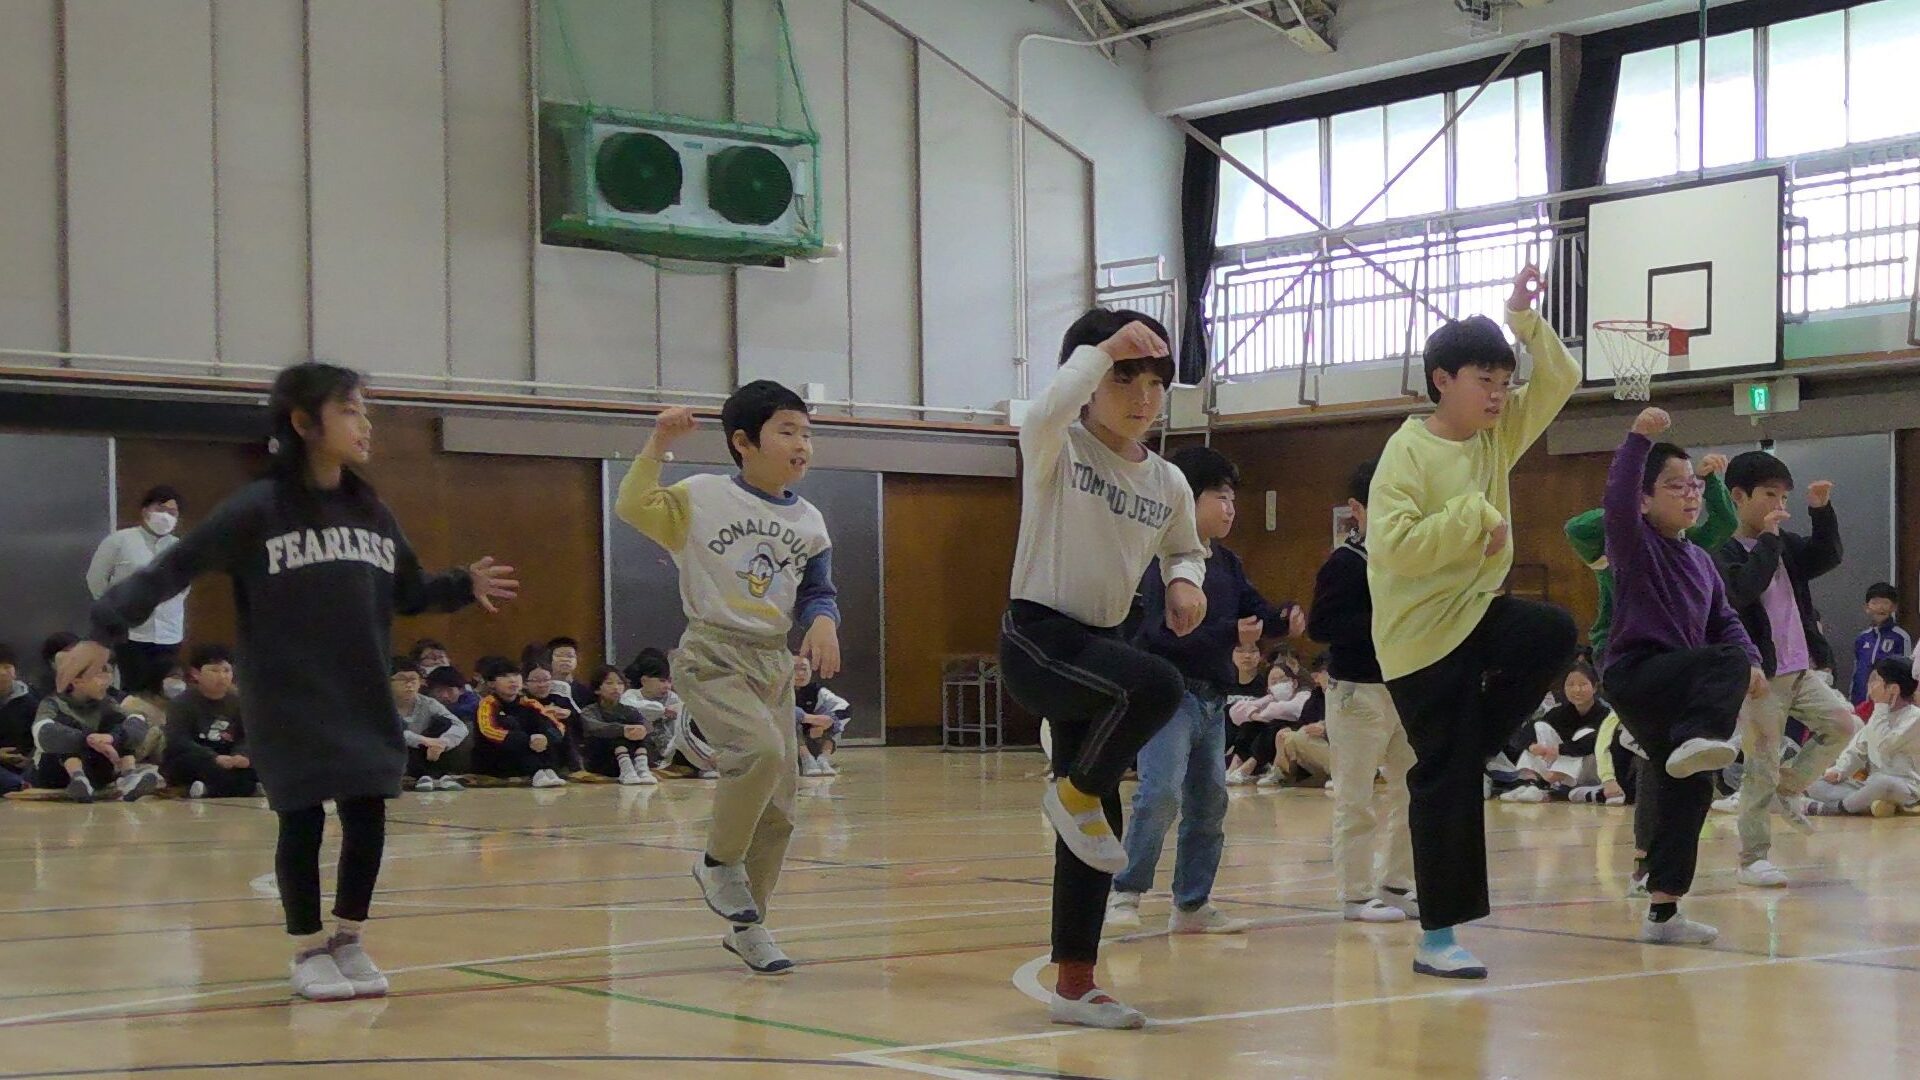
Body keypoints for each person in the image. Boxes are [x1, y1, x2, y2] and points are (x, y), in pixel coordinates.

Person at [66, 361, 517, 1001]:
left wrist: (462, 584)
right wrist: (102, 630)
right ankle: (307, 949)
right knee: (301, 821)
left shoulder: (371, 511)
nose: (365, 423)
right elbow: (172, 569)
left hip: (361, 691)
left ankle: (349, 938)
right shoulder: (257, 509)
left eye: (365, 410)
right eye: (350, 410)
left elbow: (410, 590)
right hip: (287, 696)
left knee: (367, 815)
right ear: (305, 423)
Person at [1368, 265, 1580, 979]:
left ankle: (1478, 745)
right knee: (1444, 779)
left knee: (1552, 632)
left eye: (1503, 380)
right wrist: (1472, 516)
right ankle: (1437, 938)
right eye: (1484, 380)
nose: (1498, 394)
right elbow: (1394, 547)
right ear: (1441, 381)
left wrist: (1523, 317)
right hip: (1419, 640)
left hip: (1477, 614)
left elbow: (1562, 378)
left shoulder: (1496, 435)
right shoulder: (1407, 451)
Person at [996, 308, 1204, 1029]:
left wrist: (1185, 581)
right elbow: (1045, 407)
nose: (1143, 396)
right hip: (1039, 641)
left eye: (1155, 382)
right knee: (1158, 685)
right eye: (1124, 378)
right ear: (1089, 380)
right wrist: (1101, 347)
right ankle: (1076, 790)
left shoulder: (1169, 481)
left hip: (1101, 647)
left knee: (1097, 824)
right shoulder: (1059, 445)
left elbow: (1185, 546)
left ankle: (1075, 984)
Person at [614, 383, 841, 977]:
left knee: (781, 807)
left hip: (772, 661)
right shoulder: (701, 496)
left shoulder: (810, 521)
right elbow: (633, 506)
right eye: (787, 431)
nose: (801, 444)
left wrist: (823, 622)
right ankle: (717, 861)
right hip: (712, 654)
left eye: (807, 433)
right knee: (758, 752)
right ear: (743, 441)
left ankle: (749, 926)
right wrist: (659, 441)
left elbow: (817, 589)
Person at [1107, 445, 1301, 936]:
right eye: (1220, 497)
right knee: (1159, 794)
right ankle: (1126, 893)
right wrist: (1232, 633)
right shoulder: (1160, 562)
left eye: (1233, 499)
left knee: (1209, 803)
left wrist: (1283, 617)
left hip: (1213, 701)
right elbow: (1159, 634)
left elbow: (1256, 611)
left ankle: (1192, 903)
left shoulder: (1228, 564)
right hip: (1168, 699)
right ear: (1186, 501)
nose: (1231, 509)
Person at [1599, 408, 1766, 944]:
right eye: (1676, 485)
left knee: (1690, 790)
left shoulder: (1700, 559)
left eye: (1694, 485)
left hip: (1681, 683)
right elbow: (1615, 499)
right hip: (1638, 673)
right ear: (1645, 500)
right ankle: (1700, 735)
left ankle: (1664, 913)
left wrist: (1753, 661)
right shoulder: (1633, 542)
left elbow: (1725, 619)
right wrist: (1637, 439)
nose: (1691, 495)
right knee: (1725, 663)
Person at [1715, 450, 1852, 888]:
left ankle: (1789, 787)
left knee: (1843, 724)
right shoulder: (1722, 550)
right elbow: (1743, 590)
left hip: (1800, 667)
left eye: (1784, 497)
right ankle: (1752, 858)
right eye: (1769, 495)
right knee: (1761, 763)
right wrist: (1771, 541)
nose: (1779, 505)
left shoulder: (1785, 544)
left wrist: (1821, 511)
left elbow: (1826, 556)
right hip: (1760, 676)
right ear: (1739, 496)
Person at [1308, 459, 1418, 924]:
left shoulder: (1410, 560)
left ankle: (1397, 882)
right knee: (1356, 798)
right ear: (1357, 508)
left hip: (1405, 689)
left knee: (1412, 790)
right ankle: (1354, 894)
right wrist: (1385, 620)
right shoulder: (1345, 563)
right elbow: (1319, 626)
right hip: (1357, 692)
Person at [86, 486, 190, 696]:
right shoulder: (119, 540)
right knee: (133, 692)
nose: (166, 516)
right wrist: (114, 614)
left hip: (169, 633)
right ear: (145, 511)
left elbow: (184, 587)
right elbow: (95, 580)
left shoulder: (180, 547)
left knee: (166, 692)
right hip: (131, 634)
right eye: (160, 509)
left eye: (172, 512)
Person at [30, 648, 162, 802]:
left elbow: (137, 722)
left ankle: (128, 776)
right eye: (99, 675)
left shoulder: (107, 702)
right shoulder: (52, 703)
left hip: (96, 769)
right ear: (76, 681)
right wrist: (88, 739)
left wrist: (112, 738)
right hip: (54, 772)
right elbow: (43, 732)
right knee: (64, 730)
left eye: (107, 675)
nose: (106, 681)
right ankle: (77, 778)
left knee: (118, 725)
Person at [1807, 656, 1920, 817]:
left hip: (1905, 787)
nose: (1871, 686)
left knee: (1883, 783)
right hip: (1871, 786)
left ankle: (1837, 808)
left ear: (1893, 689)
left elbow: (1884, 746)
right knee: (1815, 784)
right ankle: (1873, 805)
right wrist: (1839, 771)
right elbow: (1857, 749)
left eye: (1877, 681)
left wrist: (1880, 705)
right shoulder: (1879, 715)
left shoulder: (1915, 718)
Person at [1500, 663, 1610, 803]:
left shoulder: (1606, 715)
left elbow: (1593, 742)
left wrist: (1559, 749)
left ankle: (1551, 783)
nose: (1577, 689)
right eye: (1570, 685)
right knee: (1540, 726)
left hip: (1593, 772)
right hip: (1557, 772)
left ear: (1594, 688)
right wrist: (1532, 746)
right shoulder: (1559, 713)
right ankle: (1530, 783)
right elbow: (1524, 732)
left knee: (1584, 733)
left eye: (1583, 684)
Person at [162, 643, 258, 798]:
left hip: (228, 756)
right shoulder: (181, 703)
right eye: (214, 671)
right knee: (192, 765)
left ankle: (206, 790)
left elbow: (247, 736)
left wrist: (241, 755)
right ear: (195, 673)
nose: (222, 676)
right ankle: (227, 788)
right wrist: (213, 757)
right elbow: (178, 740)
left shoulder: (239, 702)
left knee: (256, 766)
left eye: (226, 670)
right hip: (197, 756)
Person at [472, 657, 571, 787]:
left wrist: (545, 738)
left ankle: (549, 770)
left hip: (530, 753)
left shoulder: (530, 703)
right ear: (491, 683)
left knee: (544, 729)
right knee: (512, 727)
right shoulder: (487, 704)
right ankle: (537, 773)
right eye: (504, 676)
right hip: (496, 757)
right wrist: (527, 740)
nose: (513, 680)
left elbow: (557, 726)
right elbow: (489, 730)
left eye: (516, 675)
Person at [1225, 655, 1308, 785]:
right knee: (1249, 725)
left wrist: (1261, 714)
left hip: (1295, 734)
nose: (1279, 684)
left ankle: (1247, 768)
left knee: (1274, 725)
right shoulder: (1270, 698)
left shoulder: (1303, 695)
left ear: (1294, 683)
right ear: (1269, 689)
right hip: (1270, 742)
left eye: (1283, 680)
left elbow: (1284, 709)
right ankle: (1234, 767)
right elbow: (1235, 711)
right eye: (1274, 682)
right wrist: (1253, 715)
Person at [391, 658, 467, 792]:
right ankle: (427, 775)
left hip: (427, 752)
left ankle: (432, 776)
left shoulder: (428, 703)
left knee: (444, 723)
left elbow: (460, 726)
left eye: (413, 679)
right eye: (402, 679)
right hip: (396, 752)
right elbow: (389, 732)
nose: (409, 685)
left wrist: (442, 743)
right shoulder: (381, 705)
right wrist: (424, 741)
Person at [580, 664, 658, 785]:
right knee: (617, 734)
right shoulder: (589, 710)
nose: (616, 687)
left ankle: (642, 769)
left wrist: (641, 729)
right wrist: (623, 730)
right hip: (604, 758)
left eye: (620, 683)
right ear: (597, 689)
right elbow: (594, 727)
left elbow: (647, 726)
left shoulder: (630, 710)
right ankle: (626, 769)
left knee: (640, 734)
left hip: (631, 753)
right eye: (609, 683)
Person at [619, 648, 684, 775]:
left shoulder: (672, 697)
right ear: (644, 681)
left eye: (669, 681)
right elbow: (631, 708)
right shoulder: (631, 695)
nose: (667, 686)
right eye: (662, 681)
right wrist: (663, 711)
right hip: (643, 747)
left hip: (668, 748)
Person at [1272, 656, 1333, 787]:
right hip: (1324, 748)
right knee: (1289, 737)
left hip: (1349, 748)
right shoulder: (1316, 698)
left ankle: (1344, 774)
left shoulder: (1351, 696)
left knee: (1300, 737)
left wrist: (1326, 729)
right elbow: (1302, 724)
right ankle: (1285, 773)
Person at [1852, 584, 1911, 705]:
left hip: (1887, 702)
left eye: (1885, 602)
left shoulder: (1901, 637)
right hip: (1860, 701)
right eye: (1875, 602)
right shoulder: (1862, 638)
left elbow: (1906, 670)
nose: (1880, 607)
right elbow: (1856, 670)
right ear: (1867, 607)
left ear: (1894, 607)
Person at [793, 655, 850, 777]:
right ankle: (806, 759)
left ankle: (823, 759)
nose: (800, 673)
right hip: (788, 745)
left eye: (804, 668)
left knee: (835, 721)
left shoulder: (817, 691)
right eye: (794, 669)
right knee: (790, 722)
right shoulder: (779, 689)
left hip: (813, 738)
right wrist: (808, 718)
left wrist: (828, 723)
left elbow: (845, 708)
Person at [522, 659, 585, 772]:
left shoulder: (560, 698)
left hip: (566, 750)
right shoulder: (522, 701)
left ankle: (573, 768)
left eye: (546, 680)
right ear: (525, 684)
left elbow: (581, 720)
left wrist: (569, 713)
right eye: (536, 681)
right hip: (536, 752)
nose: (542, 685)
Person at [0, 645, 38, 790]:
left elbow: (41, 736)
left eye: (7, 667)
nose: (2, 673)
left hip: (25, 766)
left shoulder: (32, 700)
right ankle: (19, 786)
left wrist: (31, 758)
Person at [547, 637, 590, 704]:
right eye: (559, 656)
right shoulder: (543, 688)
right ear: (549, 659)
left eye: (570, 656)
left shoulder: (585, 692)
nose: (565, 659)